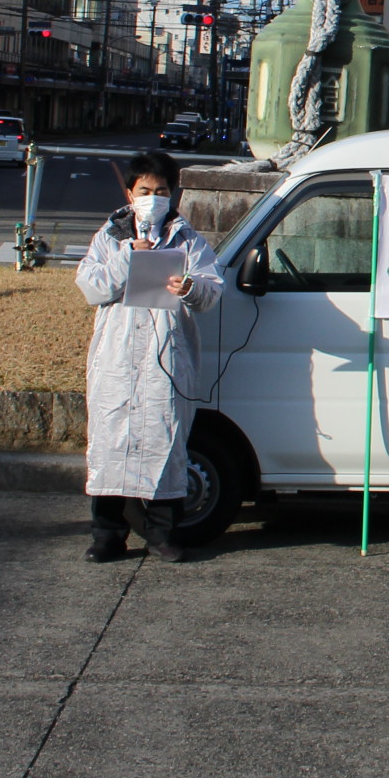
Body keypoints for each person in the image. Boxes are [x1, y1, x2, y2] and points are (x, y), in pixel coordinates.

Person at [76, 151, 221, 563]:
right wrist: (128, 256)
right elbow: (91, 287)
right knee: (111, 443)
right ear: (130, 193)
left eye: (160, 191)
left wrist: (190, 287)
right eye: (144, 190)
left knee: (164, 441)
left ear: (172, 194)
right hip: (118, 356)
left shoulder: (187, 239)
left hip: (165, 356)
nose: (152, 198)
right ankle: (107, 535)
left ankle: (162, 534)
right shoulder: (110, 236)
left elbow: (212, 291)